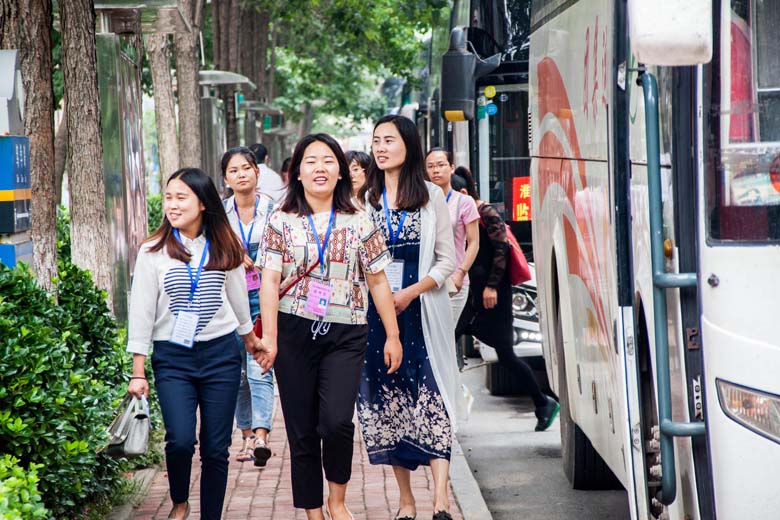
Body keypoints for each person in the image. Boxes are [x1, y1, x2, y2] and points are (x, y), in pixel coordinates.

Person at [254, 133, 403, 520]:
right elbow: (269, 281)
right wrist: (270, 338)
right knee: (301, 428)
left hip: (346, 332)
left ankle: (338, 500)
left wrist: (392, 335)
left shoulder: (360, 219)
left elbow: (378, 280)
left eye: (328, 161)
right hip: (293, 331)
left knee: (337, 421)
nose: (319, 168)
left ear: (340, 172)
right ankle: (314, 511)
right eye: (311, 161)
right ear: (297, 172)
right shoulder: (280, 220)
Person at [126, 168, 265, 520]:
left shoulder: (225, 245)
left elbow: (238, 298)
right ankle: (179, 502)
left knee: (217, 447)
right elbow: (141, 311)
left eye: (181, 198)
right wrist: (138, 371)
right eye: (169, 197)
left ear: (203, 203)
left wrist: (251, 341)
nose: (172, 205)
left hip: (221, 354)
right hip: (173, 358)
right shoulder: (153, 251)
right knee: (180, 439)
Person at [357, 115, 460, 520]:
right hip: (377, 317)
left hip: (423, 314)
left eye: (389, 140)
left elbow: (447, 260)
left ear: (409, 145)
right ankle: (406, 500)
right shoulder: (365, 200)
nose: (381, 148)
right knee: (390, 403)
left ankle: (441, 499)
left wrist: (410, 292)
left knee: (434, 398)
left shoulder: (431, 196)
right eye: (376, 141)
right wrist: (384, 299)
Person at [453, 166, 560, 432]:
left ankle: (543, 402)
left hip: (493, 295)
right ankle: (451, 399)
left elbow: (502, 250)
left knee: (506, 355)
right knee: (449, 336)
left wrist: (492, 287)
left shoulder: (486, 212)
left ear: (464, 193)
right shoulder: (462, 214)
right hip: (473, 295)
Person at [221, 147, 276, 467]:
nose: (241, 174)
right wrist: (233, 254)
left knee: (260, 367)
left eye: (246, 168)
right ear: (225, 179)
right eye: (234, 170)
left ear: (257, 172)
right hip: (230, 301)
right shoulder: (218, 214)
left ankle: (261, 436)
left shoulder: (275, 210)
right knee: (238, 373)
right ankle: (245, 435)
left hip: (266, 298)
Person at [425, 148, 480, 325]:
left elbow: (473, 242)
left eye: (441, 165)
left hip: (453, 279)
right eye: (430, 166)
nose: (436, 170)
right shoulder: (421, 201)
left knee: (446, 331)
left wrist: (461, 273)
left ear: (452, 168)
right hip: (425, 279)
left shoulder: (464, 202)